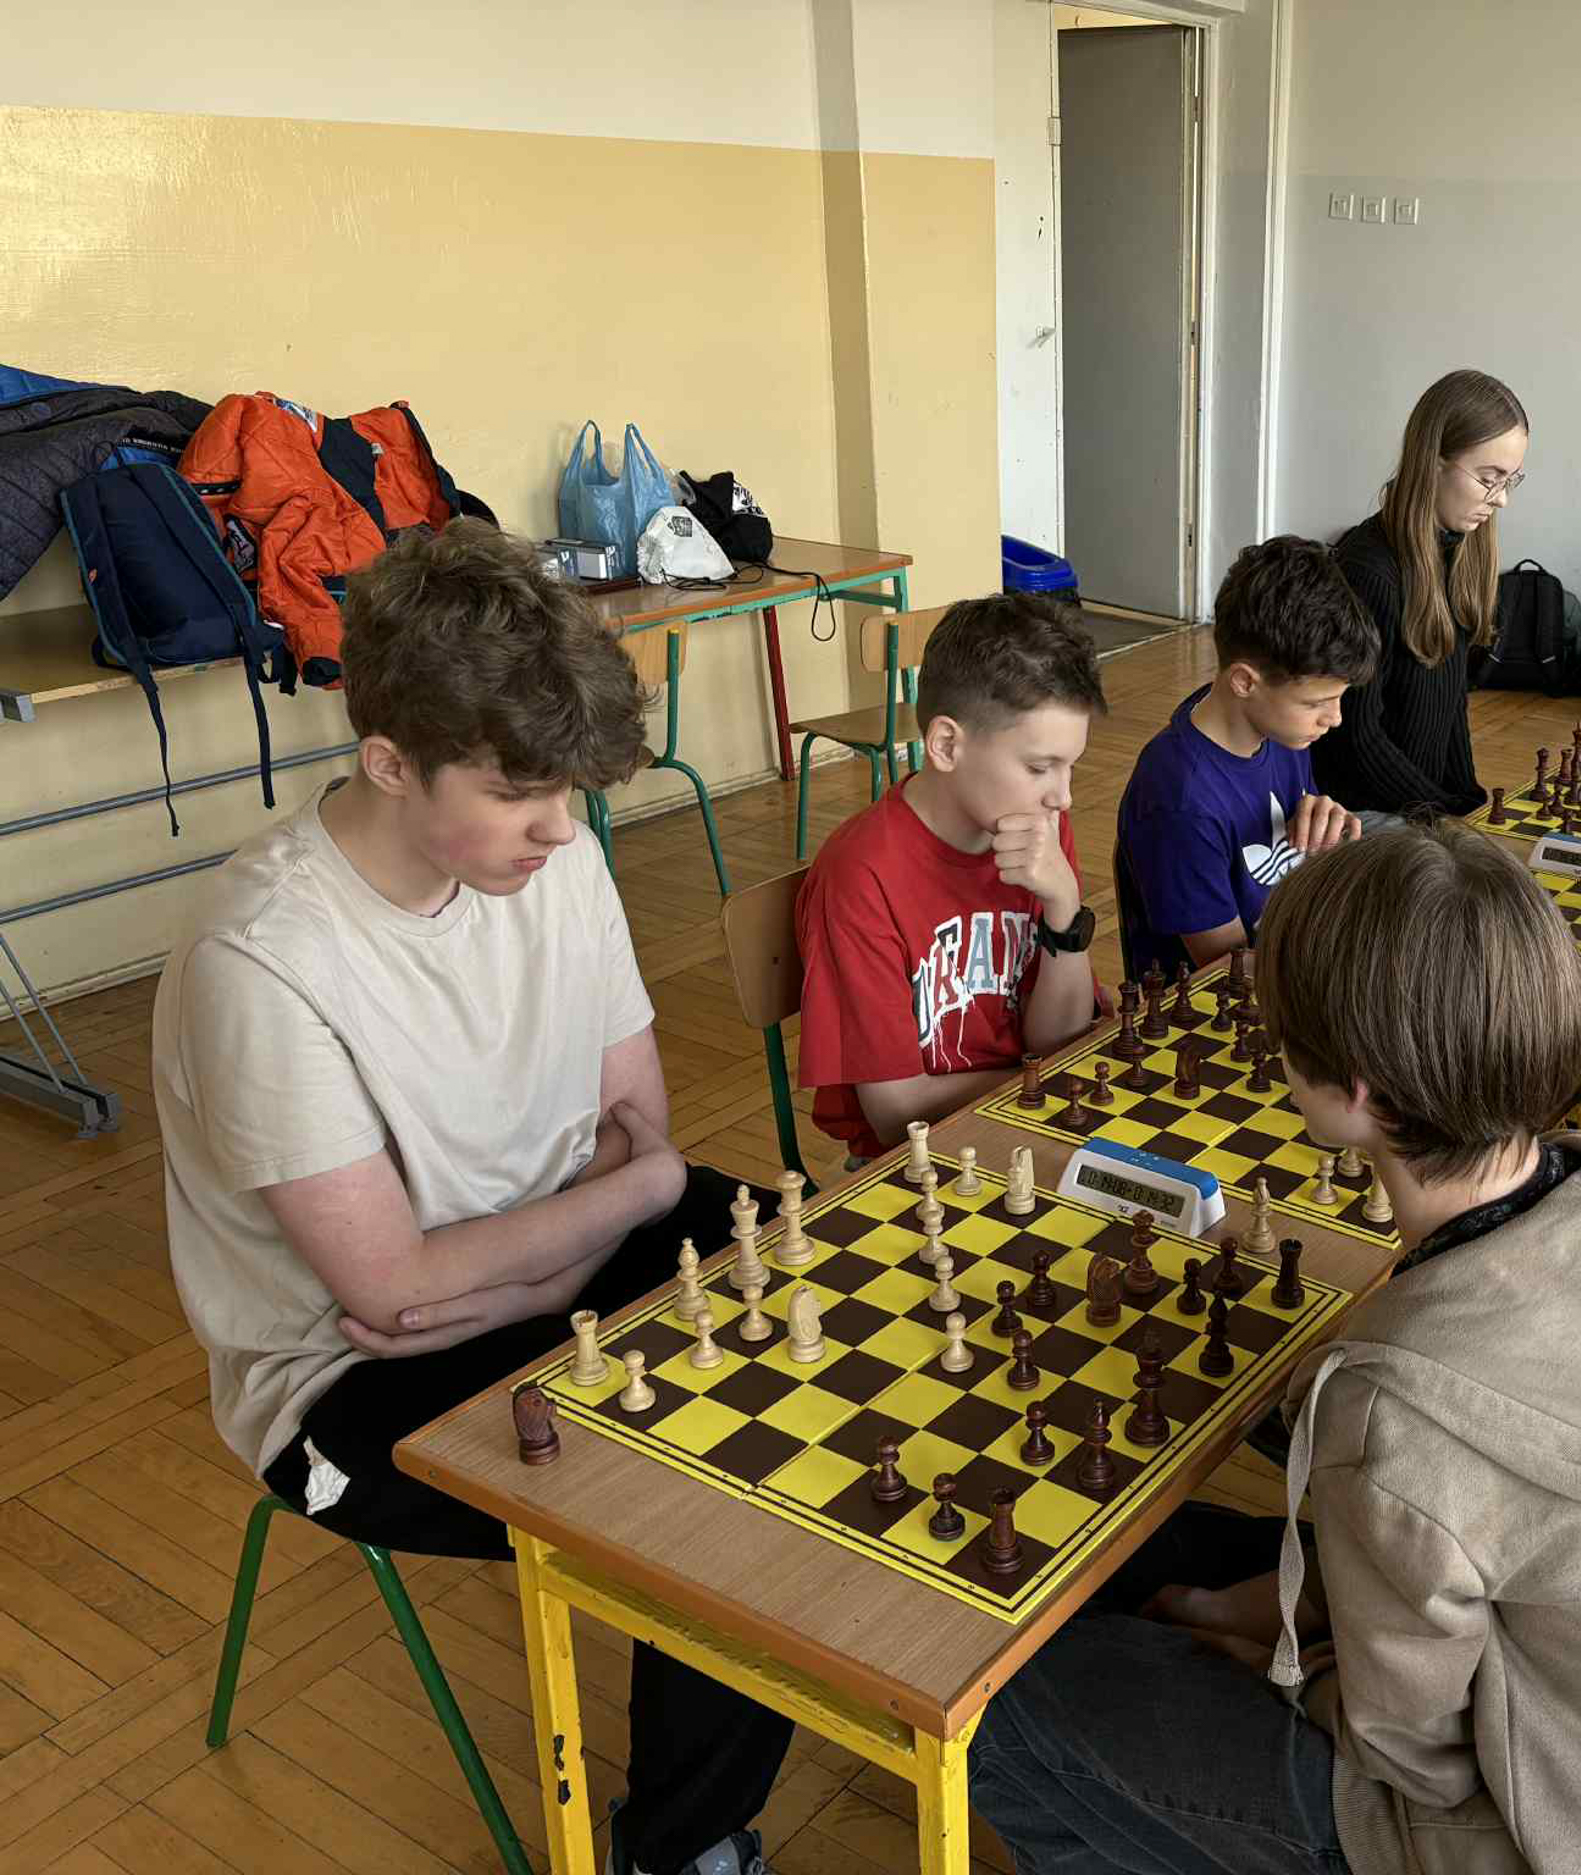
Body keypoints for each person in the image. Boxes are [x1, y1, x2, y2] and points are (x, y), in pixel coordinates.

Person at [153, 522, 791, 1875]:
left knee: (826, 1276)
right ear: (390, 761)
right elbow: (385, 1295)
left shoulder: (556, 854)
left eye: (569, 793)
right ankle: (678, 1849)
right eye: (517, 794)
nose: (561, 829)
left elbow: (647, 1139)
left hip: (522, 1274)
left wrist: (546, 1262)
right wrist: (626, 1201)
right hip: (345, 1382)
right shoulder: (260, 961)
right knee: (723, 1499)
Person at [969, 825, 1581, 1875]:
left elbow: (1409, 1757)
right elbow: (1466, 1524)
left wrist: (1282, 1661)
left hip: (1522, 1836)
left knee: (1004, 1708)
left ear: (1352, 1090)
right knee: (1135, 1564)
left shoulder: (1393, 1407)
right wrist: (1263, 1609)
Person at [797, 593, 1107, 1161]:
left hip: (1032, 1118)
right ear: (946, 745)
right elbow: (895, 1115)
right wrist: (1041, 1083)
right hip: (912, 1166)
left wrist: (1065, 908)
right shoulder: (861, 876)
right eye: (1039, 767)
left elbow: (1060, 1042)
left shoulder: (1037, 827)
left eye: (1071, 767)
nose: (1062, 797)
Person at [1114, 535, 1371, 981]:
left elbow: (1294, 860)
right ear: (1244, 682)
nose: (1336, 718)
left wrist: (1324, 828)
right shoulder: (1180, 799)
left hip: (1284, 947)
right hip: (1221, 1000)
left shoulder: (1278, 730)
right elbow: (1228, 967)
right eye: (1316, 703)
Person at [1309, 369, 1528, 821]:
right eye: (1489, 478)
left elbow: (1450, 707)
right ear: (1433, 462)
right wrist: (1441, 818)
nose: (1501, 499)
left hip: (1419, 807)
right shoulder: (1367, 571)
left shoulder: (1456, 553)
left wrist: (1467, 803)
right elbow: (1355, 738)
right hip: (1366, 813)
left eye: (1510, 480)